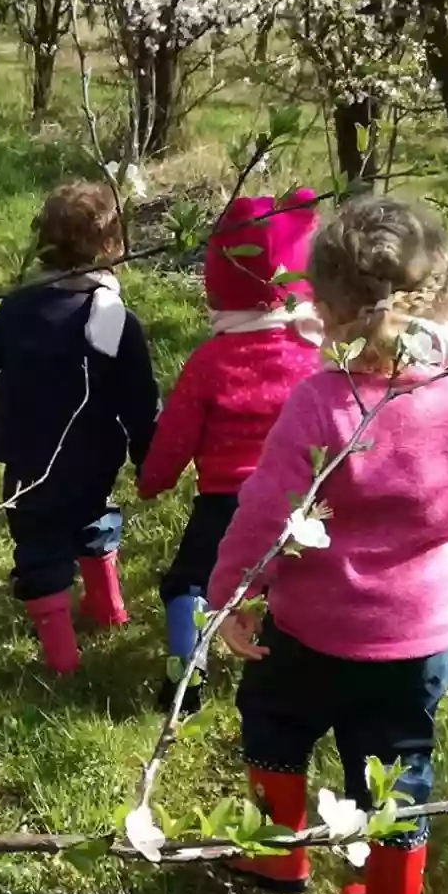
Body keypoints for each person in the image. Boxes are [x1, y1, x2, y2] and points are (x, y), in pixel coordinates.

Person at [199, 197, 448, 894]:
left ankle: (276, 858)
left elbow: (267, 513)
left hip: (311, 629)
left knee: (276, 722)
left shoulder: (320, 404)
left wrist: (233, 595)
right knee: (398, 766)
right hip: (419, 641)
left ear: (326, 307)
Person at [135, 188, 324, 716]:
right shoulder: (317, 356)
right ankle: (306, 669)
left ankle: (185, 678)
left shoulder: (212, 361)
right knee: (302, 581)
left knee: (188, 582)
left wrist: (154, 479)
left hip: (227, 502)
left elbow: (176, 434)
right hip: (303, 502)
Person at [0, 181, 161, 675]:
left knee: (39, 543)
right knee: (93, 515)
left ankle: (62, 660)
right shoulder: (114, 315)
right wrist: (148, 454)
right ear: (114, 247)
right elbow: (139, 396)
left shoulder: (23, 305)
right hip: (96, 455)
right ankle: (108, 607)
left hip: (30, 456)